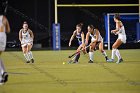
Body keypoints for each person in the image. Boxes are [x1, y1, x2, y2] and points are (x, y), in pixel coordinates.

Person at [0, 5, 10, 84]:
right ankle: (4, 72)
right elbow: (8, 30)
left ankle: (1, 77)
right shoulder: (4, 18)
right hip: (3, 37)